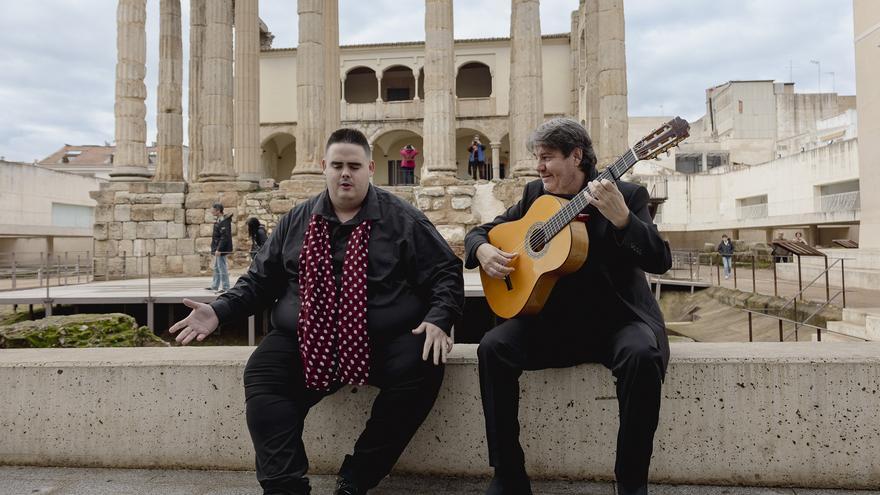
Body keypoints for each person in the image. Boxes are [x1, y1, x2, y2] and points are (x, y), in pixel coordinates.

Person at [170, 128, 464, 495]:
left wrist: (438, 319)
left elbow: (445, 272)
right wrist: (219, 311)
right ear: (324, 167)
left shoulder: (403, 219)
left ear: (370, 168)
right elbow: (260, 281)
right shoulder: (297, 220)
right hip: (305, 338)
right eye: (337, 165)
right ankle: (285, 485)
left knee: (424, 366)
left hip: (383, 341)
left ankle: (357, 477)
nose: (345, 174)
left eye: (354, 166)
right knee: (263, 375)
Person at [464, 118, 672, 495]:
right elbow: (482, 232)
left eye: (547, 157)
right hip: (552, 324)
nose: (538, 166)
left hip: (617, 321)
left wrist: (623, 219)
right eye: (536, 158)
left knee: (642, 355)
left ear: (576, 156)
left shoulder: (627, 195)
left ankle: (631, 483)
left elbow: (660, 259)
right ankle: (508, 474)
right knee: (492, 348)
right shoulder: (534, 196)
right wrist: (482, 250)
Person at [207, 203, 233, 293]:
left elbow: (224, 237)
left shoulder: (223, 221)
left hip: (221, 248)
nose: (211, 211)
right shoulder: (219, 219)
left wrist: (219, 249)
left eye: (213, 210)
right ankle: (215, 286)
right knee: (217, 267)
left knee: (222, 267)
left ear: (218, 210)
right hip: (217, 247)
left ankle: (226, 287)